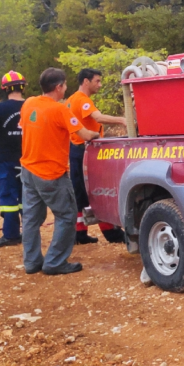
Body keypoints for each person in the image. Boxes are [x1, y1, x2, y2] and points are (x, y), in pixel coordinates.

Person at [19, 68, 99, 276]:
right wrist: (98, 134)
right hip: (51, 174)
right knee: (66, 215)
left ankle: (32, 262)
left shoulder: (28, 103)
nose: (65, 89)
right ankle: (55, 261)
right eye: (64, 85)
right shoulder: (60, 110)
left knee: (31, 219)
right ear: (58, 87)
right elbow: (84, 134)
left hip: (28, 170)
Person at [67, 68, 127, 244]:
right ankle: (112, 233)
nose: (99, 85)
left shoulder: (70, 100)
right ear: (86, 81)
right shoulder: (82, 100)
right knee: (99, 190)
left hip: (75, 150)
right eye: (97, 81)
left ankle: (80, 233)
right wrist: (122, 120)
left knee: (80, 191)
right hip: (85, 150)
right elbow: (98, 117)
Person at [0, 71, 26, 248]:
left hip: (6, 160)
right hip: (28, 160)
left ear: (4, 89)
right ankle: (31, 234)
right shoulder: (31, 105)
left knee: (9, 198)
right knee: (27, 198)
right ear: (23, 86)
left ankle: (11, 235)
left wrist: (0, 139)